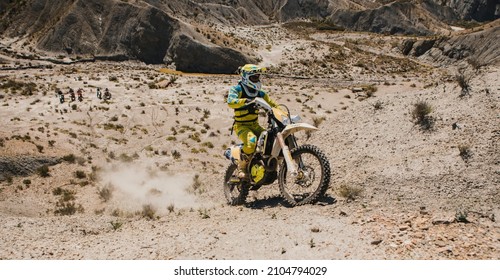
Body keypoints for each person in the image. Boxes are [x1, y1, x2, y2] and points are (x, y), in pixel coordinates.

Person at [226, 64, 278, 179]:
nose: (257, 79)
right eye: (254, 77)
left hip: (255, 125)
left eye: (258, 77)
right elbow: (230, 101)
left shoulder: (260, 93)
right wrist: (247, 101)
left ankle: (264, 166)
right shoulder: (237, 89)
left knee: (270, 140)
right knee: (251, 141)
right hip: (241, 126)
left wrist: (282, 113)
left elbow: (273, 104)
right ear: (246, 77)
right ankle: (242, 167)